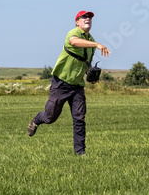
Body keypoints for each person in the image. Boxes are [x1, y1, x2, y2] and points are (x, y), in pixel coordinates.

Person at [27, 10, 110, 155]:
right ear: (77, 22)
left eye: (89, 17)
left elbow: (85, 62)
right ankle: (36, 120)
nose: (87, 19)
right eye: (84, 17)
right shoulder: (73, 33)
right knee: (50, 117)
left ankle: (80, 152)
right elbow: (74, 42)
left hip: (78, 86)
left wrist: (91, 75)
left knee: (79, 118)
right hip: (61, 83)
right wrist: (96, 44)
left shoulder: (91, 41)